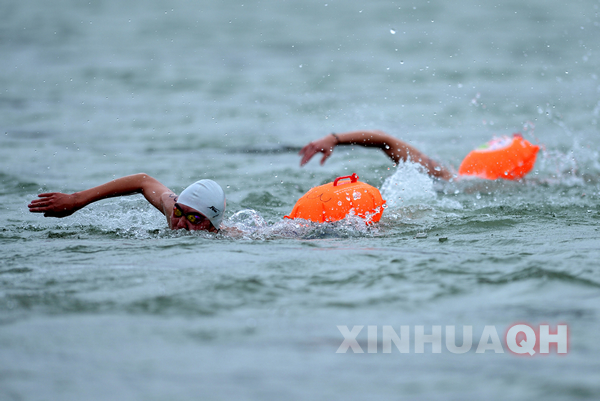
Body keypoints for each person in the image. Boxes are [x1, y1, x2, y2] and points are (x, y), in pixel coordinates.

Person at [28, 173, 226, 232]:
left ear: (212, 226)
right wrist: (76, 200)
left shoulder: (230, 238)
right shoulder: (174, 208)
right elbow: (143, 180)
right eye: (179, 212)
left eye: (194, 218)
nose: (181, 223)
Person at [298, 130, 453, 180]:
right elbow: (385, 140)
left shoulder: (448, 178)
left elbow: (386, 140)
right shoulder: (446, 176)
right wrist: (334, 139)